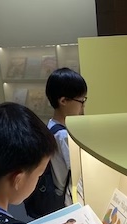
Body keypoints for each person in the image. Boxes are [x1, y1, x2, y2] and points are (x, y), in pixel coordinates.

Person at [44, 68, 88, 207]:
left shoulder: (51, 126)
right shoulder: (63, 136)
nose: (83, 106)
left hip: (57, 196)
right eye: (81, 101)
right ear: (63, 101)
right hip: (65, 201)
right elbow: (77, 171)